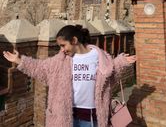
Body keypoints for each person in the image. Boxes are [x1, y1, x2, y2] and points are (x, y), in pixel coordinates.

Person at [3, 25, 136, 127]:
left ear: (74, 40)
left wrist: (121, 62)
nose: (61, 50)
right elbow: (39, 68)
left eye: (63, 45)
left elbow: (110, 76)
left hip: (92, 118)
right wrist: (20, 60)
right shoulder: (60, 61)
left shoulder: (99, 57)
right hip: (65, 117)